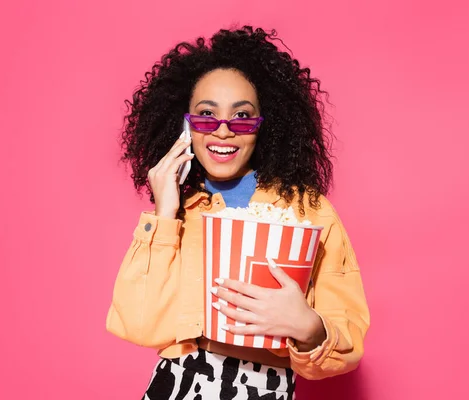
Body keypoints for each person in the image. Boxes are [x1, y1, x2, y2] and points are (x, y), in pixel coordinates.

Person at [106, 25, 370, 399]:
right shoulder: (177, 211)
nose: (224, 130)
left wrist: (309, 328)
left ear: (265, 126)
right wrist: (164, 213)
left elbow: (349, 344)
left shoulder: (310, 211)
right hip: (177, 385)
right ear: (186, 126)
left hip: (267, 388)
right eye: (206, 116)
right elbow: (137, 323)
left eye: (242, 116)